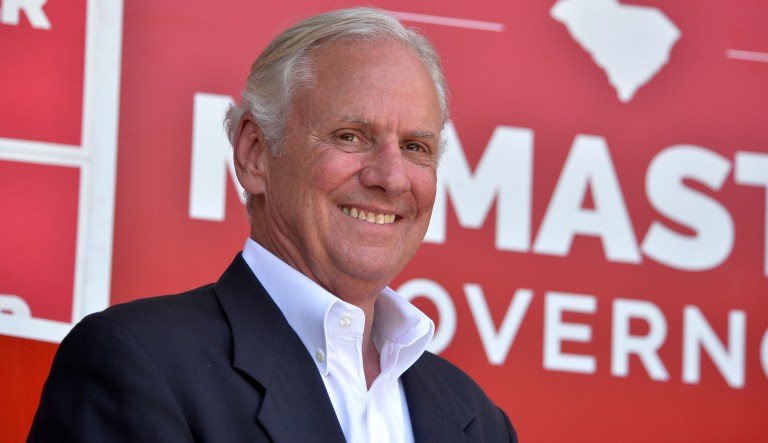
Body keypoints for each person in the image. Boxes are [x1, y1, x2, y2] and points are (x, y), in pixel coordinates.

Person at [29, 7, 518, 442]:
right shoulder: (138, 365)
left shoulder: (478, 420)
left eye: (416, 147)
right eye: (351, 136)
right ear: (255, 154)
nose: (390, 178)